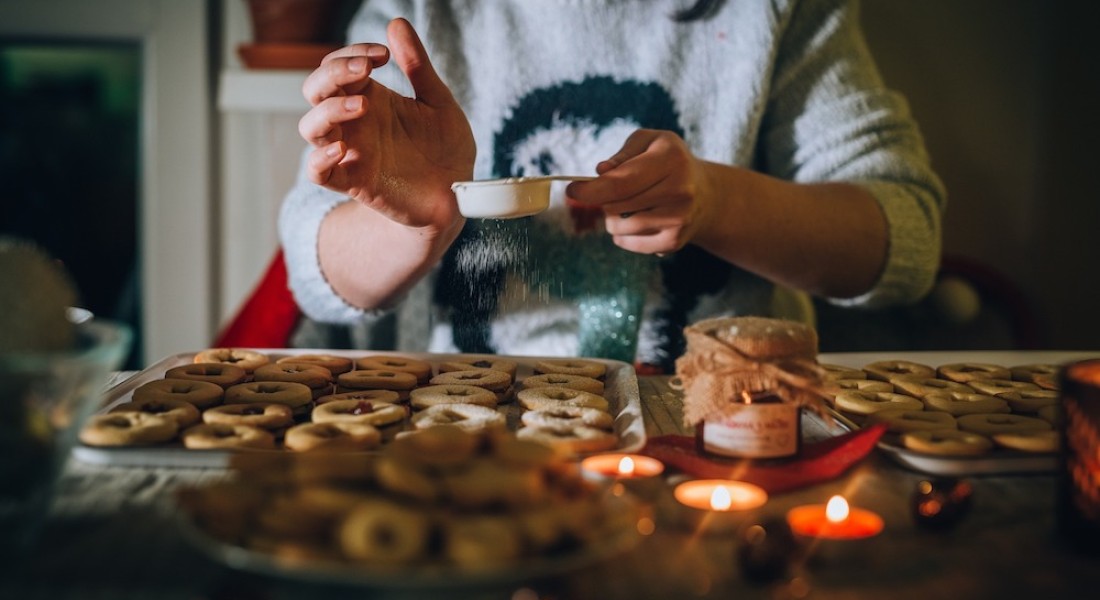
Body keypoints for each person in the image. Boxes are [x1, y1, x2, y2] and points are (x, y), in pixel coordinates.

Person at [278, 0, 945, 372]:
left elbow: (903, 240)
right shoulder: (416, 12)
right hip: (475, 430)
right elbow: (316, 269)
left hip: (728, 426)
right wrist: (419, 223)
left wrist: (716, 202)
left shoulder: (773, 11)